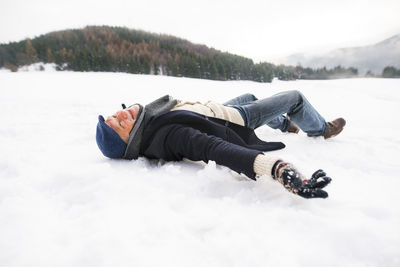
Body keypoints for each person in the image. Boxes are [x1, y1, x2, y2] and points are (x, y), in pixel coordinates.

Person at [96, 91, 346, 199]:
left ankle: (284, 125)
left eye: (114, 116)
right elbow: (214, 147)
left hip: (214, 110)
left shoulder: (150, 120)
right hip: (233, 120)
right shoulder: (169, 135)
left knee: (248, 96)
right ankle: (321, 129)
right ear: (130, 142)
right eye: (119, 125)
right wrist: (277, 169)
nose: (121, 114)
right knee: (295, 98)